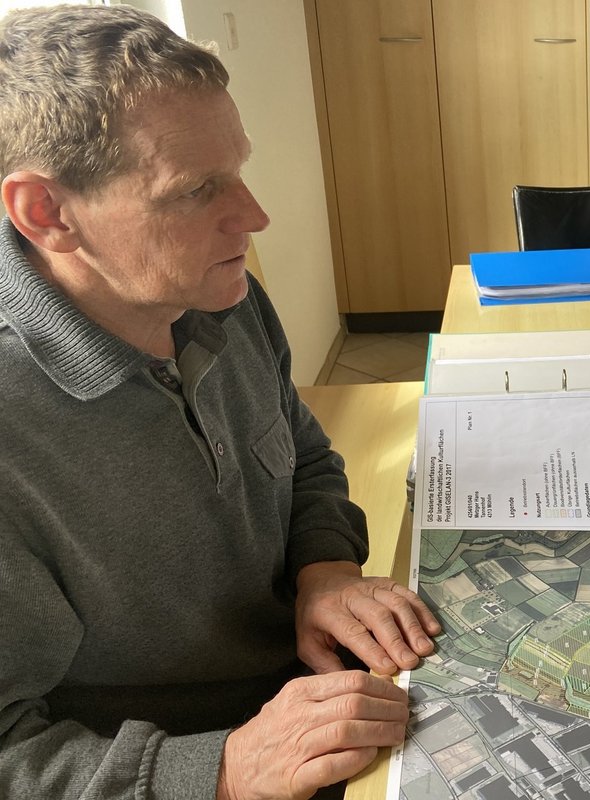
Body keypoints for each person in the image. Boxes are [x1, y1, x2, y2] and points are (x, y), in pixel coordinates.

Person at [0, 7, 442, 799]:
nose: (254, 217)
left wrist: (325, 570)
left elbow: (303, 454)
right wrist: (223, 769)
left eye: (236, 170)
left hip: (313, 695)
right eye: (197, 190)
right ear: (47, 213)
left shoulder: (219, 297)